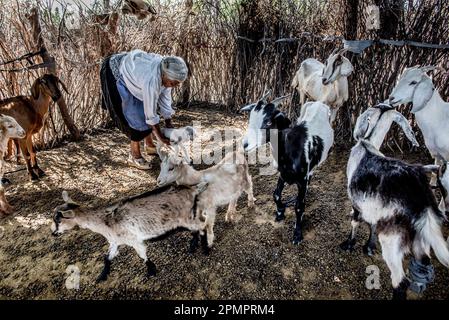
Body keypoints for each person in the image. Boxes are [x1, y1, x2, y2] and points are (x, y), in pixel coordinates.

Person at [100, 49, 188, 169]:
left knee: (143, 110)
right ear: (164, 75)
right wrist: (161, 138)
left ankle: (149, 145)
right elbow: (150, 115)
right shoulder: (151, 79)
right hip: (115, 72)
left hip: (133, 71)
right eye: (173, 83)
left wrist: (168, 122)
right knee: (135, 116)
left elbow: (165, 99)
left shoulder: (166, 72)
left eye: (176, 84)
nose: (173, 86)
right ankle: (134, 155)